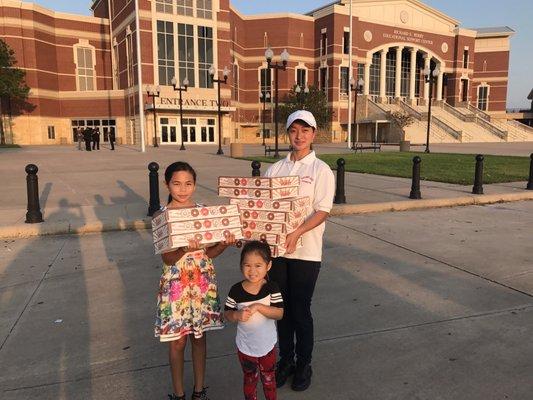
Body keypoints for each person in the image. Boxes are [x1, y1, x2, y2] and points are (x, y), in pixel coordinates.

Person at [264, 110, 335, 392]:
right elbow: (263, 209)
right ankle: (287, 360)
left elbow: (323, 210)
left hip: (306, 252)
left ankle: (304, 363)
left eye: (305, 130)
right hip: (278, 253)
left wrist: (296, 233)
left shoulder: (321, 170)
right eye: (294, 130)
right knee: (282, 310)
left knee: (301, 310)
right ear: (288, 133)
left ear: (313, 134)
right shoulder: (276, 169)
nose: (299, 136)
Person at [155, 161, 236, 400]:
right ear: (166, 184)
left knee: (199, 338)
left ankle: (199, 391)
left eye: (188, 183)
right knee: (177, 341)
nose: (182, 189)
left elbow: (209, 253)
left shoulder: (203, 213)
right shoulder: (162, 216)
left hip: (202, 283)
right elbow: (168, 259)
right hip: (176, 285)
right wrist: (181, 249)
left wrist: (223, 243)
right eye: (176, 183)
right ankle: (178, 394)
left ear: (195, 185)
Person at [224, 241, 284, 400]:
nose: (252, 271)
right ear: (241, 266)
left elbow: (279, 313)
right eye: (247, 265)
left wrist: (259, 306)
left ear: (268, 266)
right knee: (250, 379)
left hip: (267, 346)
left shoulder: (272, 287)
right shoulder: (235, 290)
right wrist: (236, 316)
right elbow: (227, 313)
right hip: (245, 347)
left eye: (258, 265)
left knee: (269, 378)